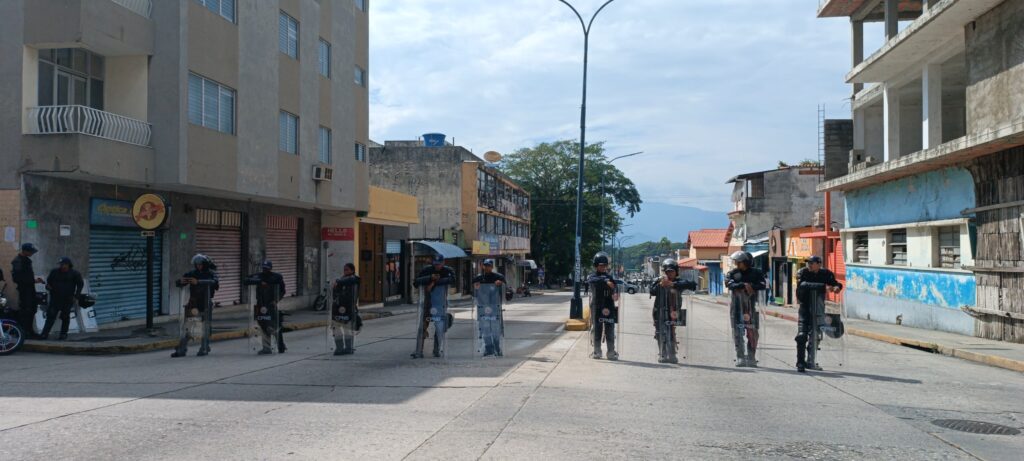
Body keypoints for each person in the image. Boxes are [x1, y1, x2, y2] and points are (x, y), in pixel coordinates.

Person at [794, 255, 843, 373]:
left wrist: (836, 287)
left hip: (819, 309)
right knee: (801, 336)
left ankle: (811, 361)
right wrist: (823, 287)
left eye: (812, 263)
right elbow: (803, 285)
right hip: (805, 308)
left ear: (819, 264)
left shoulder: (825, 273)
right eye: (808, 262)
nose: (809, 265)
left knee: (816, 336)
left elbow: (836, 283)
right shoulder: (803, 272)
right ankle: (800, 362)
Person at [649, 259, 697, 363]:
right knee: (660, 332)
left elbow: (692, 285)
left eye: (672, 271)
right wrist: (660, 285)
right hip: (659, 311)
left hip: (674, 312)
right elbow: (651, 291)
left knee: (671, 332)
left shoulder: (679, 282)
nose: (669, 273)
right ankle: (662, 353)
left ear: (676, 272)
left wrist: (673, 284)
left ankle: (672, 354)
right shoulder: (659, 280)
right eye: (667, 271)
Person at [172, 254, 219, 358]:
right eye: (197, 264)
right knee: (188, 326)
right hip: (193, 302)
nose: (198, 266)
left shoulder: (211, 273)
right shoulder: (192, 273)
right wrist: (180, 282)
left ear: (205, 264)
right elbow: (181, 282)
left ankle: (204, 347)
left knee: (205, 326)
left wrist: (198, 282)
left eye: (200, 264)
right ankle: (181, 349)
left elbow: (215, 283)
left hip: (206, 302)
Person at [725, 251, 766, 367]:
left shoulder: (757, 273)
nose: (737, 264)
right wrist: (743, 285)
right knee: (737, 332)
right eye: (736, 262)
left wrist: (752, 286)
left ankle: (751, 356)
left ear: (746, 262)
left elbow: (763, 284)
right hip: (736, 307)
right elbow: (729, 284)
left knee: (753, 332)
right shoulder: (733, 273)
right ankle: (740, 356)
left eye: (740, 262)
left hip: (751, 307)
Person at [412, 254, 455, 358]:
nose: (437, 267)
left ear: (443, 263)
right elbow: (416, 282)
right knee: (422, 327)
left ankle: (437, 349)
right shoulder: (427, 270)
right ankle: (418, 351)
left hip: (440, 304)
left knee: (439, 327)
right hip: (427, 303)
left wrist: (435, 282)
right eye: (435, 264)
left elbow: (452, 279)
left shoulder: (447, 270)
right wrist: (430, 277)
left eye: (439, 264)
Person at [245, 260, 287, 355]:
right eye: (263, 268)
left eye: (267, 268)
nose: (265, 270)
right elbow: (246, 280)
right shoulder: (259, 276)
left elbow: (282, 290)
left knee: (273, 326)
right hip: (260, 304)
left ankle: (280, 345)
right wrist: (260, 282)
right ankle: (266, 347)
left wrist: (276, 300)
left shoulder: (276, 277)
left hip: (271, 304)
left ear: (270, 268)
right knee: (263, 325)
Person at [40, 257, 84, 340]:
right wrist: (48, 287)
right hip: (55, 298)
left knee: (65, 316)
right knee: (51, 316)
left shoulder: (75, 273)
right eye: (61, 264)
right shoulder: (54, 272)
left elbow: (80, 285)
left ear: (68, 265)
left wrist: (76, 296)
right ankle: (44, 334)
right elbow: (48, 282)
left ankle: (63, 334)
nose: (62, 266)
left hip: (68, 298)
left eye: (64, 264)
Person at [588, 253, 619, 360]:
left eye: (605, 265)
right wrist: (605, 281)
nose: (603, 267)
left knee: (610, 329)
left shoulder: (610, 277)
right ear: (596, 265)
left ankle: (611, 351)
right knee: (597, 329)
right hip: (597, 306)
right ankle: (597, 351)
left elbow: (615, 287)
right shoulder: (593, 276)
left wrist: (615, 293)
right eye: (601, 265)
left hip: (609, 306)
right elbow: (593, 281)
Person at [472, 259, 505, 357]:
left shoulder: (499, 277)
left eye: (489, 266)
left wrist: (501, 285)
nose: (487, 267)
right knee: (485, 329)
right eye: (485, 266)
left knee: (495, 328)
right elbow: (472, 291)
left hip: (495, 306)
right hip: (482, 307)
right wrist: (476, 288)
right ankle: (488, 348)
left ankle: (497, 348)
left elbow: (506, 291)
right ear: (483, 266)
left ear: (492, 266)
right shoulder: (478, 278)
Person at [11, 243, 45, 338]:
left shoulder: (26, 260)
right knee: (26, 310)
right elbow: (17, 278)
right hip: (24, 290)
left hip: (30, 289)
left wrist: (35, 281)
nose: (32, 253)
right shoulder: (18, 261)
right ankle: (23, 332)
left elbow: (26, 276)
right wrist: (32, 281)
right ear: (25, 251)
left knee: (32, 310)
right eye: (30, 251)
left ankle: (30, 331)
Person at [331, 263, 360, 355]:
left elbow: (350, 280)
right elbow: (335, 293)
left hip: (349, 308)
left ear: (352, 270)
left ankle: (348, 348)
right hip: (338, 309)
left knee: (347, 329)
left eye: (347, 269)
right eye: (344, 269)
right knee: (336, 329)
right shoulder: (341, 279)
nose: (345, 271)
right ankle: (339, 348)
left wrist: (338, 281)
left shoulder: (354, 279)